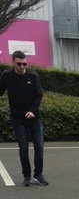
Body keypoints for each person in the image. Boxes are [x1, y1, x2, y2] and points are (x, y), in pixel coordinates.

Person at [0, 50, 48, 186]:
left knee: (39, 147)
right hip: (18, 119)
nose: (22, 67)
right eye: (19, 64)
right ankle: (26, 176)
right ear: (13, 63)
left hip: (34, 118)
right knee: (23, 148)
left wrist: (33, 111)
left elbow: (38, 95)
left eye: (24, 64)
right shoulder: (7, 76)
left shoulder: (33, 76)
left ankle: (38, 175)